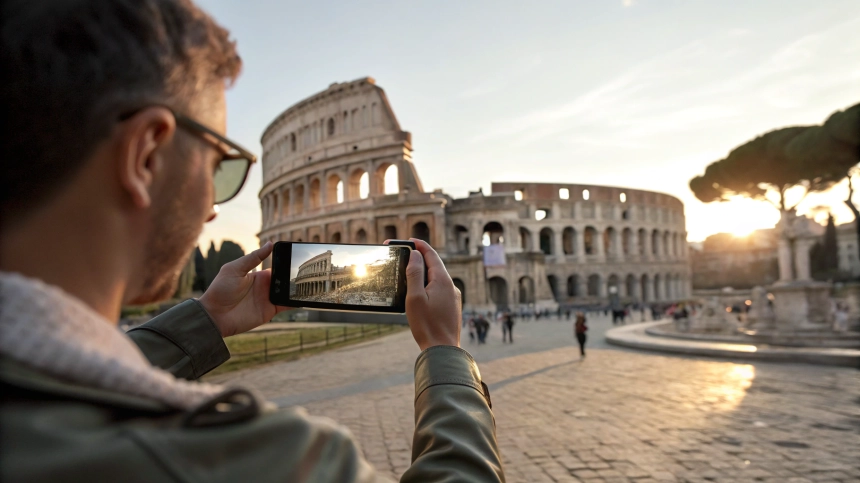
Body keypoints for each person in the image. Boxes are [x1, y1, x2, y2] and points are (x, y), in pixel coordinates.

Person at [0, 1, 503, 481]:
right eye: (221, 167)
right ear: (146, 155)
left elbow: (67, 385)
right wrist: (444, 353)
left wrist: (202, 323)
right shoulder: (255, 460)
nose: (214, 209)